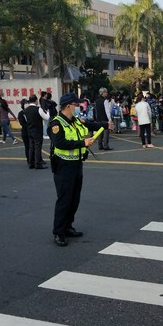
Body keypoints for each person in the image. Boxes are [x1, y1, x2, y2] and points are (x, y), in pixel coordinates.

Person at [49, 93, 111, 246]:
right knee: (64, 200)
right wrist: (82, 143)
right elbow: (60, 143)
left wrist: (105, 124)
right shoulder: (56, 124)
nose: (78, 107)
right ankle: (59, 232)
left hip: (77, 164)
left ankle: (68, 226)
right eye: (76, 105)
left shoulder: (75, 120)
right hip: (63, 167)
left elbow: (89, 124)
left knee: (74, 199)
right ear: (68, 106)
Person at [24, 94, 50, 169]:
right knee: (38, 147)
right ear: (36, 101)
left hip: (29, 130)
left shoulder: (26, 110)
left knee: (31, 147)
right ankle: (38, 163)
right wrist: (47, 112)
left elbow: (26, 120)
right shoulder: (38, 109)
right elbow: (46, 118)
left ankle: (31, 163)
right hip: (37, 130)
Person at [17, 98, 30, 163]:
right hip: (25, 132)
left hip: (32, 132)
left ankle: (34, 159)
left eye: (28, 103)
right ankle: (29, 160)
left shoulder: (30, 112)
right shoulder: (21, 113)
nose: (27, 105)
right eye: (26, 104)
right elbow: (22, 123)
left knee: (33, 146)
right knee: (27, 146)